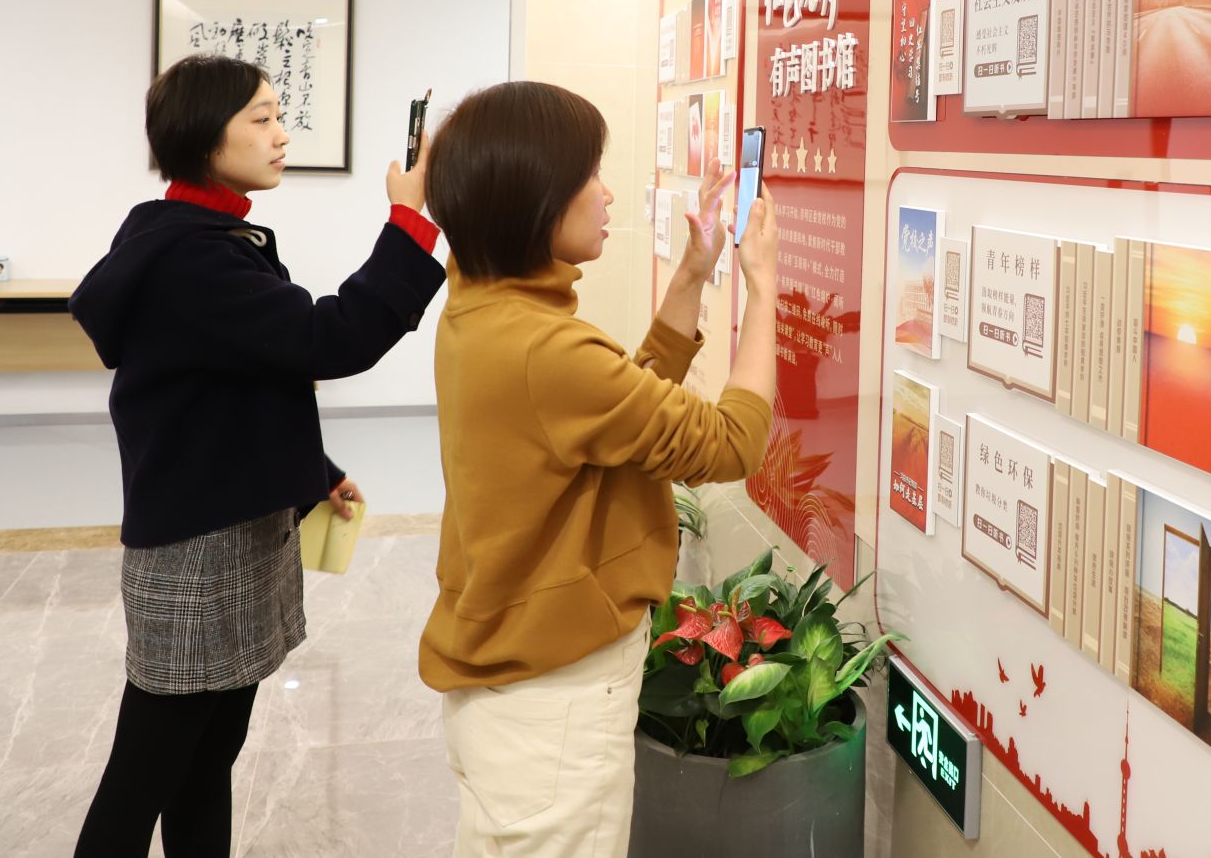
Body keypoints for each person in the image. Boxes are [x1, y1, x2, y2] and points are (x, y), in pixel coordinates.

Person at [69, 53, 446, 857]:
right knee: (143, 778)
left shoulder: (200, 234)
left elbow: (239, 384)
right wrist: (409, 224)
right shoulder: (193, 257)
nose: (282, 135)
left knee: (206, 761)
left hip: (232, 529)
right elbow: (325, 339)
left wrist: (314, 475)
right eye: (263, 119)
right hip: (198, 552)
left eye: (279, 116)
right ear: (207, 137)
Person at [419, 80, 780, 858]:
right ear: (537, 198)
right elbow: (732, 442)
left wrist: (692, 273)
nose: (607, 193)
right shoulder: (547, 348)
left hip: (512, 698)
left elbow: (615, 410)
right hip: (554, 714)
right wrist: (764, 290)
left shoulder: (479, 303)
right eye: (589, 175)